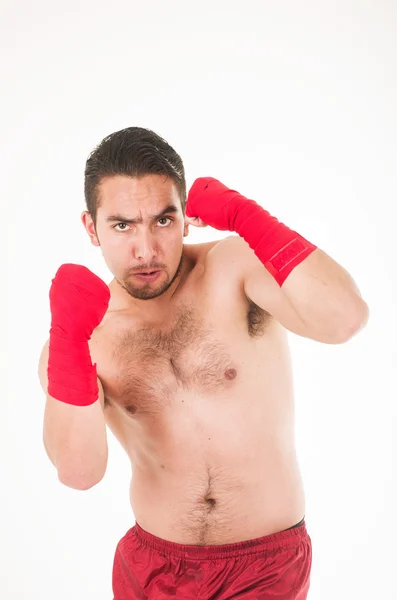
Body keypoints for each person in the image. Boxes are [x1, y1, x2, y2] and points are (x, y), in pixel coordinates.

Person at [38, 126, 369, 599]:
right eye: (122, 225)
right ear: (91, 227)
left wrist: (245, 216)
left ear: (186, 217)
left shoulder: (234, 269)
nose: (146, 249)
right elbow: (78, 471)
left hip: (266, 566)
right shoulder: (81, 334)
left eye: (163, 220)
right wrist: (69, 336)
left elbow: (346, 319)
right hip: (151, 568)